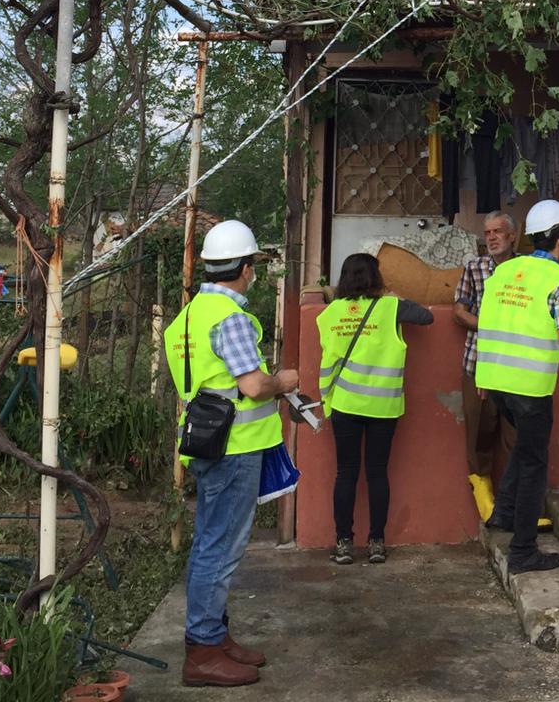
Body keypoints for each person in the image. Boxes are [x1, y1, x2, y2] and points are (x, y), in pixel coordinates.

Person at [163, 219, 296, 688]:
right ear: (244, 267)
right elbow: (254, 386)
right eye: (253, 265)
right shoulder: (231, 318)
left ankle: (214, 637)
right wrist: (285, 382)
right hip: (234, 448)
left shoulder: (188, 317)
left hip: (203, 441)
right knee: (220, 549)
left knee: (210, 541)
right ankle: (202, 649)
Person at [475, 199, 559, 574]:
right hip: (529, 387)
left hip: (496, 382)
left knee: (524, 449)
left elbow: (487, 325)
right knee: (534, 463)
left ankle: (503, 513)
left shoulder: (504, 272)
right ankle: (523, 550)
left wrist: (484, 379)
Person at [317, 252, 434, 566]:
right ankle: (377, 543)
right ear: (375, 278)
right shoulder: (391, 308)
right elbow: (427, 317)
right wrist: (394, 297)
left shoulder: (330, 314)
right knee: (377, 473)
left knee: (346, 473)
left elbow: (328, 359)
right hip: (383, 405)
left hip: (344, 403)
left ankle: (343, 543)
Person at [450, 211, 519, 498]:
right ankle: (483, 492)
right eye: (487, 232)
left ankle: (519, 499)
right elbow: (459, 311)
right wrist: (488, 327)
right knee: (479, 430)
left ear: (512, 235)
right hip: (477, 362)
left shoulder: (526, 269)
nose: (490, 237)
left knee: (516, 437)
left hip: (517, 367)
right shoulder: (475, 267)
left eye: (497, 232)